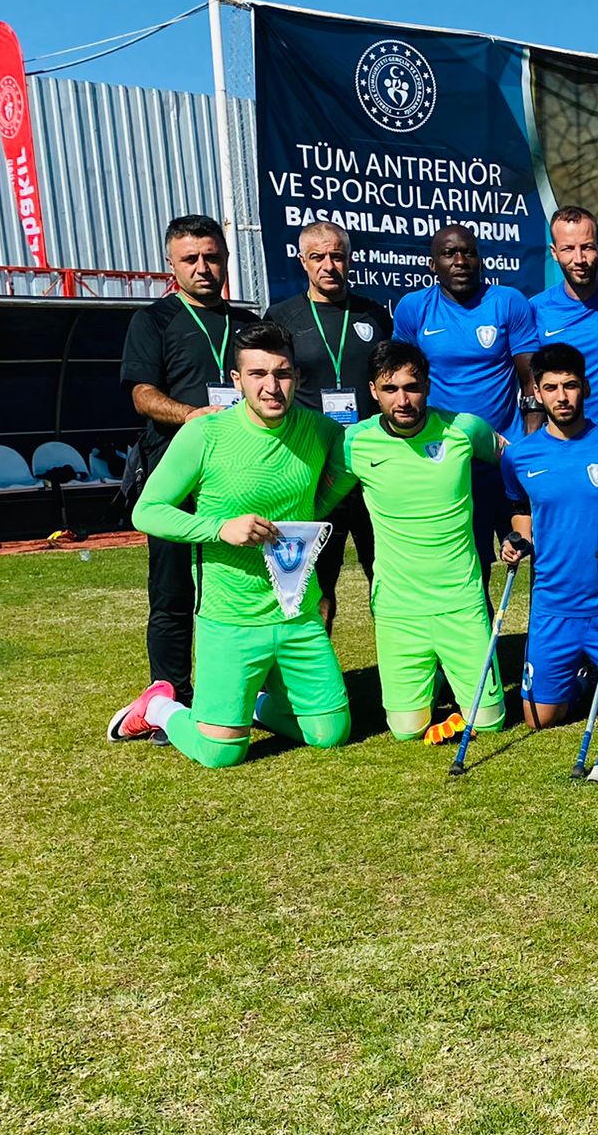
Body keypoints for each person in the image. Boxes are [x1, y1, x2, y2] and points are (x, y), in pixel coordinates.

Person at [106, 321, 353, 766]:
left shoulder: (321, 431)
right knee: (221, 753)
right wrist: (219, 528)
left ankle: (253, 706)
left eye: (282, 374)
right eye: (258, 374)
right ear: (237, 380)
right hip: (230, 620)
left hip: (298, 617)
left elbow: (346, 472)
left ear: (297, 377)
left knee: (330, 734)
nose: (271, 387)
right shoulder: (205, 434)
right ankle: (158, 706)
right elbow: (147, 511)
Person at [337, 339, 509, 742]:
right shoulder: (355, 443)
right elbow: (320, 496)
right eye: (390, 389)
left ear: (427, 386)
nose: (403, 400)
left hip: (461, 603)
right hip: (399, 609)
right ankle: (434, 677)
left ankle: (449, 673)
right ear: (373, 391)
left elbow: (517, 461)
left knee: (489, 722)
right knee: (406, 731)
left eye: (412, 387)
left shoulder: (465, 429)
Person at [118, 214, 258, 703]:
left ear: (226, 259)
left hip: (241, 473)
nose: (203, 268)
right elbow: (142, 395)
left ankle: (247, 695)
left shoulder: (249, 325)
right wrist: (192, 415)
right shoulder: (153, 320)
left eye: (212, 257)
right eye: (190, 259)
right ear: (171, 264)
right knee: (172, 592)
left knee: (245, 588)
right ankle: (170, 697)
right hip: (176, 475)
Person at [501, 343, 598, 729]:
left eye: (570, 385)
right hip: (552, 608)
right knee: (538, 720)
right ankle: (583, 680)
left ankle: (596, 669)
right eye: (550, 388)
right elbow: (521, 510)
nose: (562, 397)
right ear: (536, 392)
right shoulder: (519, 456)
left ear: (585, 387)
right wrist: (519, 540)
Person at [391, 223, 540, 585]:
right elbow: (402, 381)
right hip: (449, 461)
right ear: (433, 264)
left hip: (507, 457)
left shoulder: (508, 302)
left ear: (480, 259)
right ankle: (478, 624)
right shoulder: (414, 309)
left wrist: (531, 446)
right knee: (470, 565)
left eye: (468, 253)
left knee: (538, 553)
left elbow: (531, 380)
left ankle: (546, 626)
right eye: (449, 254)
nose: (460, 261)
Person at [263, 220, 392, 632]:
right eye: (317, 257)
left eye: (337, 255)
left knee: (386, 578)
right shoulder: (281, 316)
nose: (328, 265)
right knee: (315, 586)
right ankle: (314, 669)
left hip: (371, 465)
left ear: (349, 259)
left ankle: (403, 666)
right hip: (314, 466)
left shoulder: (374, 313)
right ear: (302, 261)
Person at [529, 206, 598, 438]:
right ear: (554, 252)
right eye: (568, 249)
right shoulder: (536, 309)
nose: (579, 259)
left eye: (587, 247)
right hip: (566, 446)